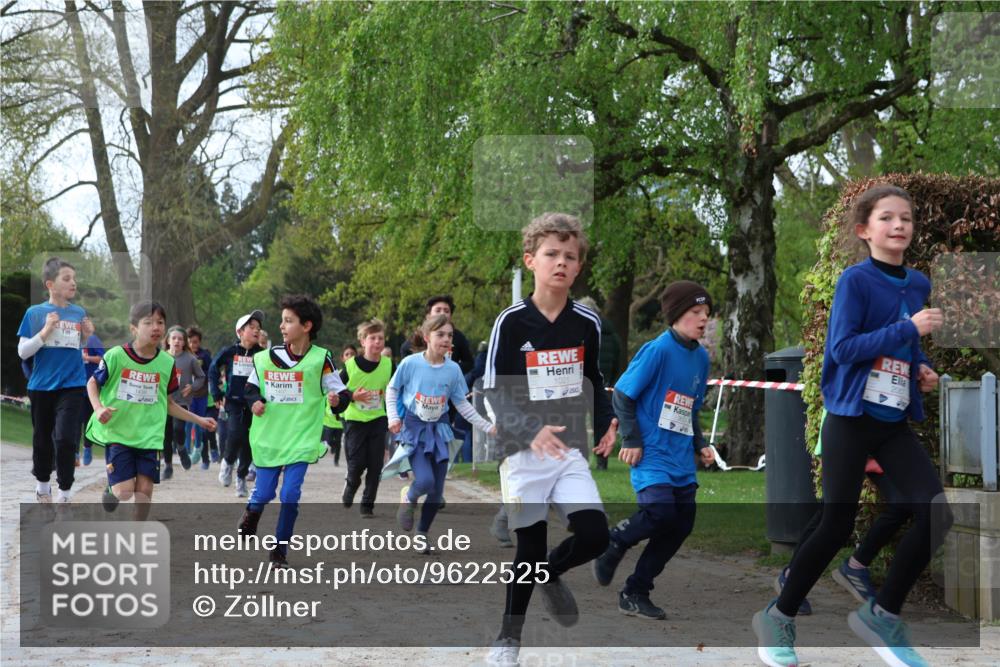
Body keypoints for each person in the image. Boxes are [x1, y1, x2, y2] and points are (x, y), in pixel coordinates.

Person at [752, 185, 950, 667]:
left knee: (936, 512)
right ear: (865, 230)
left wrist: (920, 367)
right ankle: (779, 616)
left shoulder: (917, 284)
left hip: (892, 420)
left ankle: (882, 614)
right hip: (850, 418)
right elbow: (842, 350)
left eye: (906, 217)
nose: (899, 225)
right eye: (887, 218)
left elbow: (903, 348)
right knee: (836, 524)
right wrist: (910, 330)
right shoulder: (855, 282)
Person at [484, 212, 619, 667]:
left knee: (596, 535)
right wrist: (528, 429)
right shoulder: (511, 322)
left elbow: (594, 379)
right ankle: (508, 640)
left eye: (570, 256)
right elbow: (492, 392)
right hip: (522, 454)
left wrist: (607, 423)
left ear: (579, 267)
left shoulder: (587, 322)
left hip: (569, 451)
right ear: (531, 260)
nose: (561, 262)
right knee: (528, 546)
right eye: (551, 254)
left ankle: (550, 572)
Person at [591, 281, 715, 620]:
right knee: (660, 512)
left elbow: (688, 408)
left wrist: (700, 443)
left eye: (706, 313)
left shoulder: (701, 358)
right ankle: (616, 540)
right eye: (695, 312)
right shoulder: (657, 350)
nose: (703, 319)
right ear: (676, 315)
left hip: (680, 456)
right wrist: (631, 438)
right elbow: (622, 395)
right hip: (650, 452)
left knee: (681, 523)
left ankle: (635, 591)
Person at [239, 295, 350, 566]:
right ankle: (253, 511)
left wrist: (337, 401)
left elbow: (341, 393)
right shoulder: (265, 358)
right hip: (270, 438)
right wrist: (254, 402)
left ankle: (280, 549)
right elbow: (250, 389)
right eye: (282, 320)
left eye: (288, 321)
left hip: (301, 439)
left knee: (289, 495)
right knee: (264, 493)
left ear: (307, 326)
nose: (281, 326)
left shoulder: (320, 360)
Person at [85, 301, 216, 520]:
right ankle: (111, 489)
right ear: (133, 328)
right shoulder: (117, 355)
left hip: (149, 436)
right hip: (119, 433)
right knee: (125, 492)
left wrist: (199, 420)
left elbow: (169, 404)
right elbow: (92, 383)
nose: (155, 327)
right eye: (148, 322)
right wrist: (98, 408)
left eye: (160, 322)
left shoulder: (166, 363)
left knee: (144, 492)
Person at [386, 314, 495, 547]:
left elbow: (462, 403)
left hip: (441, 430)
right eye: (440, 334)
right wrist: (394, 417)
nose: (446, 339)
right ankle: (409, 497)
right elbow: (392, 390)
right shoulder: (411, 363)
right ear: (427, 337)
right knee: (424, 481)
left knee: (436, 492)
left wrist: (487, 426)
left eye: (450, 335)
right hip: (415, 429)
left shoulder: (453, 369)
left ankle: (422, 534)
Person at [17, 257, 94, 502]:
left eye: (74, 278)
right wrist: (45, 331)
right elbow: (23, 352)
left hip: (72, 385)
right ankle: (42, 486)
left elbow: (76, 346)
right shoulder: (35, 313)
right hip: (41, 386)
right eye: (67, 278)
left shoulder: (78, 312)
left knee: (65, 438)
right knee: (42, 440)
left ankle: (64, 493)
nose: (73, 283)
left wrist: (87, 337)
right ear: (50, 284)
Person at [209, 310, 265, 498]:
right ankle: (227, 462)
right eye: (252, 327)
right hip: (233, 402)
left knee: (250, 442)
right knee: (235, 434)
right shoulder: (229, 352)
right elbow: (213, 369)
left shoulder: (262, 355)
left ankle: (241, 478)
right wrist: (217, 392)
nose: (256, 331)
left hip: (254, 405)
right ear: (240, 332)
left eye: (258, 328)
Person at [340, 318, 392, 517]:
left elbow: (395, 389)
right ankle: (351, 484)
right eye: (373, 338)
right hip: (355, 420)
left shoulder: (388, 365)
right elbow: (338, 388)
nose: (377, 342)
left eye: (381, 338)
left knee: (376, 465)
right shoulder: (351, 365)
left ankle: (367, 505)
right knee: (357, 464)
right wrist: (353, 395)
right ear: (363, 342)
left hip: (378, 419)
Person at [576, 296, 624, 470]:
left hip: (582, 382)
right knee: (602, 421)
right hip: (606, 383)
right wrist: (612, 381)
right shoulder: (612, 334)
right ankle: (602, 461)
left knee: (579, 419)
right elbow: (618, 360)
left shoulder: (581, 331)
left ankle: (580, 457)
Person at [161, 326, 205, 479]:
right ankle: (167, 466)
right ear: (168, 340)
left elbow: (201, 377)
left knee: (178, 429)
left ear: (184, 342)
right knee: (166, 435)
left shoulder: (190, 359)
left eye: (180, 339)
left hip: (182, 401)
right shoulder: (161, 357)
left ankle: (181, 448)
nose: (177, 341)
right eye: (174, 338)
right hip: (164, 402)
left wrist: (192, 388)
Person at [399, 295, 474, 373]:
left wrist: (448, 368)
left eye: (446, 311)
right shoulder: (418, 335)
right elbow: (405, 350)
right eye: (438, 310)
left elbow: (469, 363)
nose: (442, 314)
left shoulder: (458, 336)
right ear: (428, 316)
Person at [186, 326, 213, 468]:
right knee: (187, 423)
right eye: (190, 342)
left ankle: (199, 449)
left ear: (199, 342)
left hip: (201, 395)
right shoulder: (184, 355)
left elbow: (211, 370)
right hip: (187, 395)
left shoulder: (204, 355)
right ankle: (186, 452)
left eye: (195, 342)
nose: (192, 345)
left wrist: (203, 378)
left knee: (200, 423)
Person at [78, 331, 105, 466]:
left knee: (88, 420)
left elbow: (103, 359)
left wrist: (86, 358)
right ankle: (74, 452)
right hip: (74, 385)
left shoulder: (93, 340)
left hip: (91, 386)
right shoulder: (70, 338)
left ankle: (87, 447)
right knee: (74, 420)